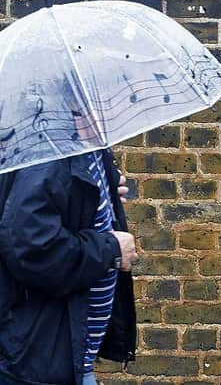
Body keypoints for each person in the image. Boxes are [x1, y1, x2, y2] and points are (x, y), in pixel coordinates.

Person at [0, 148, 138, 385]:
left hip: (69, 355)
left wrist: (98, 193)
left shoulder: (84, 149)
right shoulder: (47, 155)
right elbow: (34, 249)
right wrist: (111, 249)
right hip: (37, 359)